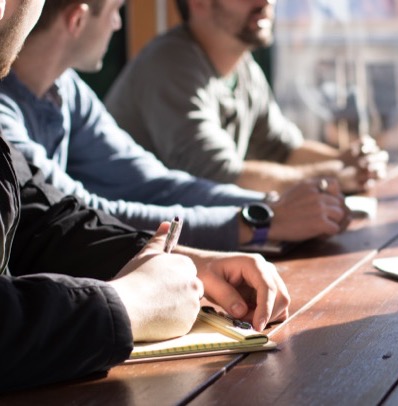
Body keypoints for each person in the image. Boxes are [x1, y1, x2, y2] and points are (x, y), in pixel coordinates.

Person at [0, 0, 291, 391]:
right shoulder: (171, 63)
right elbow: (98, 204)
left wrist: (178, 259)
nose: (120, 24)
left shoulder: (66, 90)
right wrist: (127, 303)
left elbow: (43, 217)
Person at [0, 0, 351, 252]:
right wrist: (258, 221)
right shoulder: (6, 115)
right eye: (116, 11)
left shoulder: (66, 89)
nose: (119, 25)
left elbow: (152, 182)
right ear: (77, 19)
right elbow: (81, 216)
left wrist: (269, 204)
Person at [105, 0, 388, 195]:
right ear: (199, 2)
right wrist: (335, 176)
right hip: (136, 245)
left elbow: (284, 149)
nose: (267, 1)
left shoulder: (242, 66)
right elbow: (220, 177)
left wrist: (349, 161)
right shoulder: (169, 64)